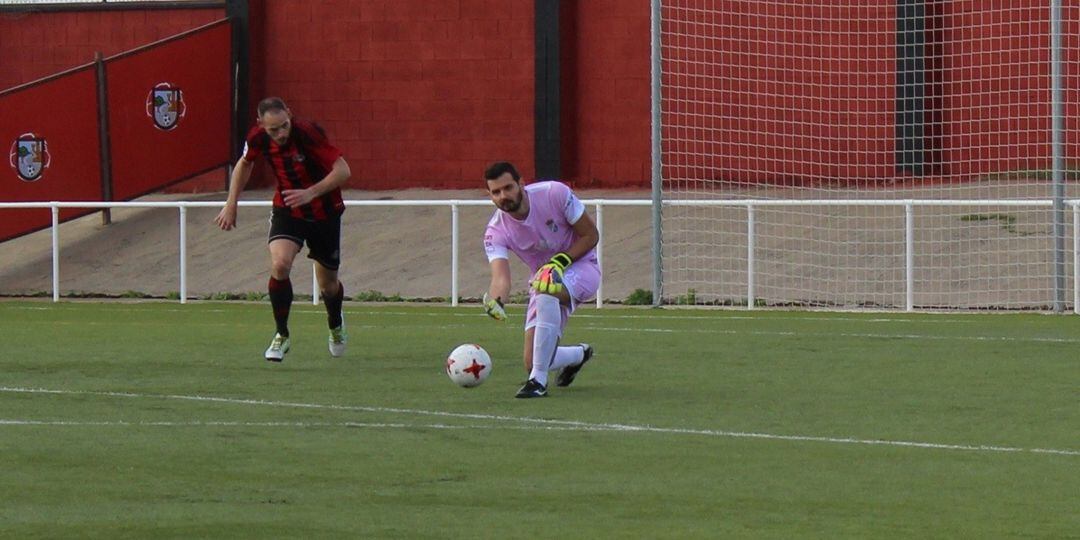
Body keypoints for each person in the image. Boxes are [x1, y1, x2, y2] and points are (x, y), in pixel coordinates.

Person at [214, 97, 351, 362]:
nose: (280, 133)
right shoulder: (257, 138)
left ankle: (335, 323)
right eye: (273, 129)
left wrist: (310, 193)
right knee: (279, 265)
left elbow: (343, 170)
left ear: (290, 115)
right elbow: (244, 164)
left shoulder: (308, 133)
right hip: (288, 208)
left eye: (284, 126)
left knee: (329, 286)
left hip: (325, 212)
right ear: (260, 125)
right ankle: (282, 335)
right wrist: (231, 203)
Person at [481, 161, 600, 398]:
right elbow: (501, 277)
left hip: (583, 268)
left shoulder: (553, 193)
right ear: (490, 195)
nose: (503, 196)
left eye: (508, 188)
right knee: (533, 360)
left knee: (546, 287)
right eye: (496, 192)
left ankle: (538, 382)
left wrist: (559, 262)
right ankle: (579, 354)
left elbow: (591, 235)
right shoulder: (495, 231)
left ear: (521, 184)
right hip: (542, 282)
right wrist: (496, 301)